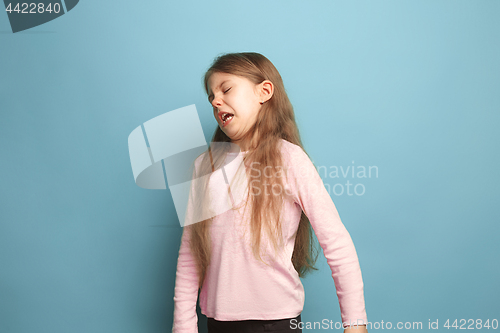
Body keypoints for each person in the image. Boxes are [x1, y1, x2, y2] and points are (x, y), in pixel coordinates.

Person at [172, 52, 368, 333]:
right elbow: (191, 254)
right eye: (211, 97)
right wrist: (183, 327)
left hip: (275, 324)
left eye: (226, 89)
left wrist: (355, 325)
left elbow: (337, 243)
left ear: (264, 92)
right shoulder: (203, 166)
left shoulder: (289, 159)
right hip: (217, 324)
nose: (216, 101)